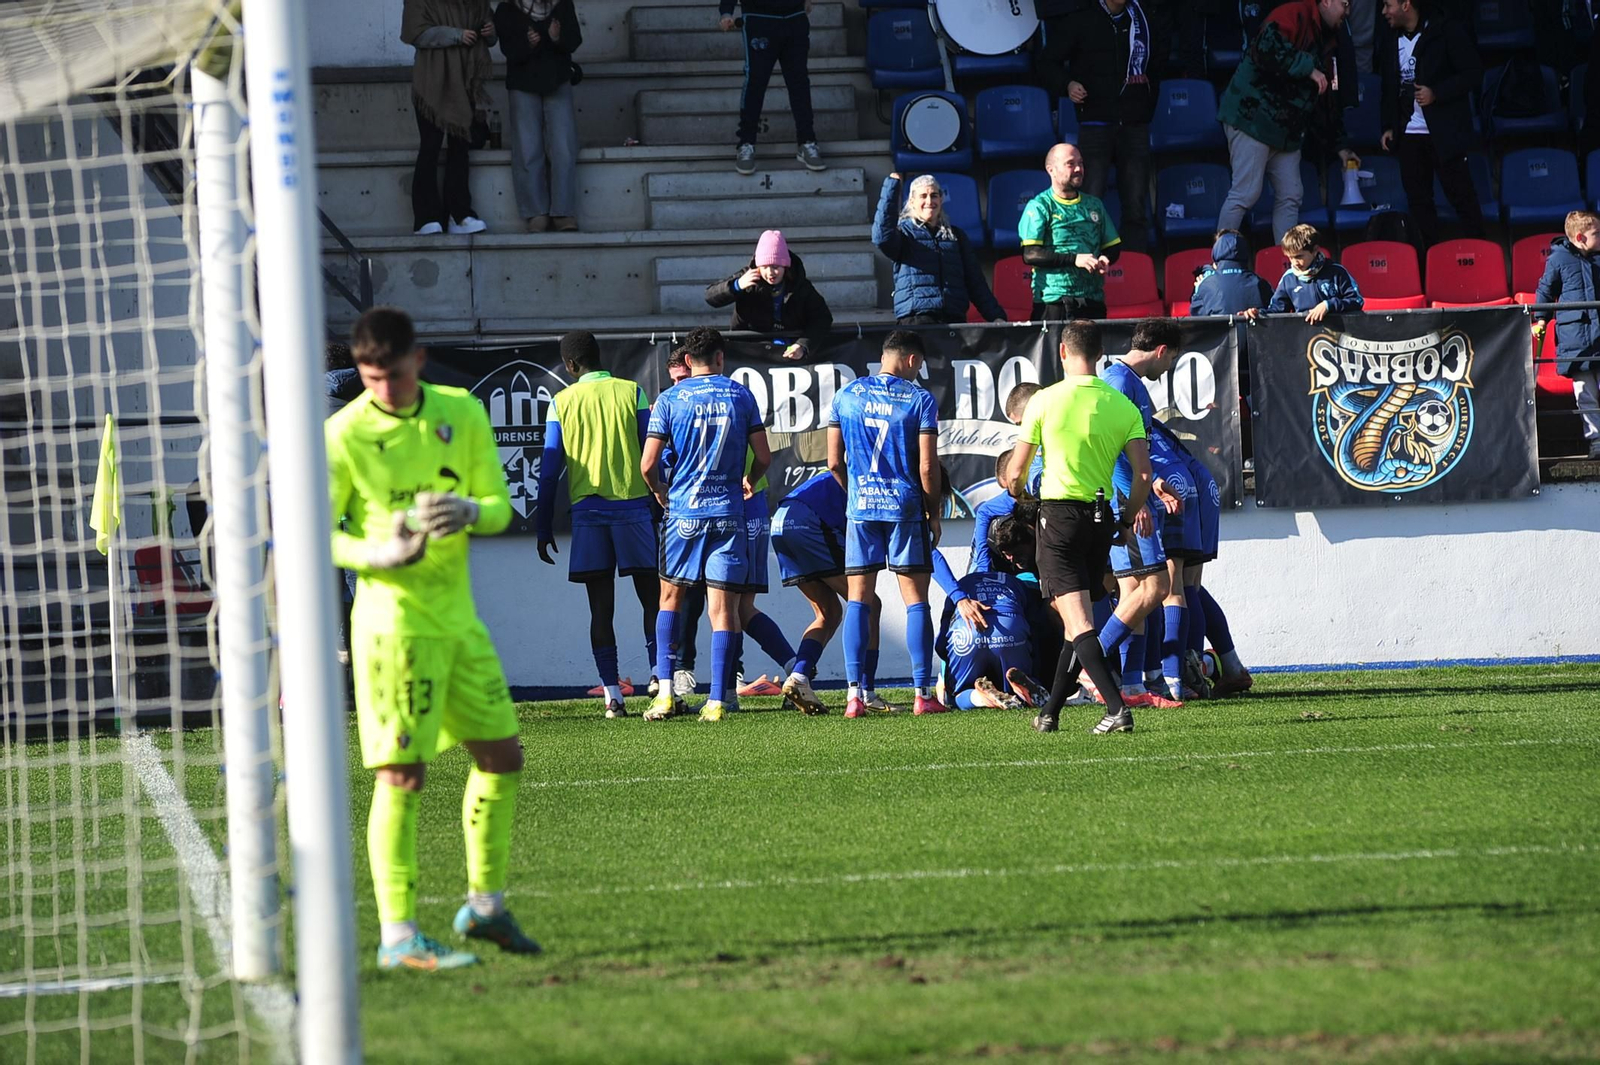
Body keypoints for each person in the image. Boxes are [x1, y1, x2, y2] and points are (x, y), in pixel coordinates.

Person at [327, 306, 538, 971]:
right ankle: (398, 935)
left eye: (390, 374)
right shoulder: (343, 434)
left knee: (503, 756)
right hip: (394, 628)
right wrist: (375, 555)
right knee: (403, 773)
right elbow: (311, 530)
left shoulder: (462, 412)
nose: (381, 389)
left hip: (459, 622)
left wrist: (473, 510)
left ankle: (484, 906)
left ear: (418, 360)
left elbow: (503, 505)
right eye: (369, 377)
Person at [1003, 320, 1153, 735]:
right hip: (1102, 519)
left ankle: (1117, 708)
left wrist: (1020, 496)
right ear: (1101, 355)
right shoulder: (1122, 404)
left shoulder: (1045, 401)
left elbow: (1015, 472)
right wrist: (1125, 519)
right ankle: (1050, 711)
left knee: (1079, 623)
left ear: (1063, 353)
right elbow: (1142, 476)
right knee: (1077, 621)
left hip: (1060, 517)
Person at [641, 326, 770, 722]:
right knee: (723, 608)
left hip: (683, 515)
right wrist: (748, 478)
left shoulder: (669, 398)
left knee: (670, 600)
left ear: (687, 362)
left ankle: (664, 694)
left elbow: (647, 464)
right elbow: (763, 456)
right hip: (728, 516)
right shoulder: (740, 394)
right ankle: (717, 700)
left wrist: (660, 490)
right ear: (720, 358)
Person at [535, 331, 657, 718]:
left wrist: (542, 525)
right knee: (653, 600)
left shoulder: (561, 401)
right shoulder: (632, 391)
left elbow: (549, 469)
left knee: (600, 610)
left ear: (570, 366)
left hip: (589, 515)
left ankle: (612, 696)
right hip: (635, 508)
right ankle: (662, 682)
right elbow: (651, 450)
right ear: (599, 357)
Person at [827, 329, 946, 717]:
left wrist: (855, 492)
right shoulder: (919, 399)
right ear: (912, 359)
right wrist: (934, 512)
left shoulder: (845, 395)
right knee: (916, 603)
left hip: (862, 509)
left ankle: (854, 695)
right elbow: (927, 466)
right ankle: (922, 694)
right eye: (920, 365)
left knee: (858, 600)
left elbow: (833, 462)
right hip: (905, 509)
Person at [1096, 319, 1187, 710]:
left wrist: (1154, 484)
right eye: (1171, 362)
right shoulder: (1119, 381)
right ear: (1162, 351)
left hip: (1134, 495)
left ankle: (1131, 686)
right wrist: (1133, 505)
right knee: (1156, 589)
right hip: (1126, 502)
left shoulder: (1125, 379)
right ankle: (1090, 661)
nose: (1166, 371)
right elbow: (1110, 447)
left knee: (1134, 592)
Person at [1216, 0, 1359, 243]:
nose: (1348, 11)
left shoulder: (1332, 37)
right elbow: (1265, 47)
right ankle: (1219, 264)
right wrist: (1307, 68)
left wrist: (1341, 146)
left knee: (1291, 194)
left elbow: (1327, 103)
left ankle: (1286, 265)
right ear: (1326, 1)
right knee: (1245, 194)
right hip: (1253, 117)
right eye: (1344, 4)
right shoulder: (1295, 12)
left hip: (1286, 129)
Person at [1036, 0, 1157, 254]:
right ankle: (1086, 266)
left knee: (1136, 204)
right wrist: (1067, 85)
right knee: (1090, 200)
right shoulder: (1081, 19)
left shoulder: (1144, 20)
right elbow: (1047, 61)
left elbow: (1156, 65)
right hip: (1095, 123)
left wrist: (1144, 107)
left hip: (1134, 122)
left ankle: (1137, 274)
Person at [770, 471, 893, 712]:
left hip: (780, 521)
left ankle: (798, 677)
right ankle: (866, 692)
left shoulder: (861, 473)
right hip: (806, 520)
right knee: (870, 605)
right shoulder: (882, 484)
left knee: (828, 613)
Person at [1377, 0, 1482, 247]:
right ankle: (1428, 266)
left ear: (1406, 5)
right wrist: (1389, 125)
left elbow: (1473, 73)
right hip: (1408, 135)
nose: (1383, 12)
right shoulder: (1389, 39)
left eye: (1388, 5)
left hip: (1444, 133)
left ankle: (1482, 258)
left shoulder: (1446, 31)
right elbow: (1387, 88)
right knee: (1419, 203)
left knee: (1463, 199)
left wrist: (1437, 93)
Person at [402, 0, 494, 236]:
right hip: (431, 83)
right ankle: (426, 217)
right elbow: (415, 32)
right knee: (430, 146)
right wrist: (456, 35)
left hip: (464, 79)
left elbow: (490, 32)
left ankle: (459, 214)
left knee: (460, 145)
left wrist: (490, 31)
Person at [494, 0, 583, 233]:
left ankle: (563, 212)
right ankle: (536, 213)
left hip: (557, 80)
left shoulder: (562, 5)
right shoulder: (507, 9)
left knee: (563, 147)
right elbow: (507, 49)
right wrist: (528, 45)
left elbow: (574, 40)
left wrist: (555, 38)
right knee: (527, 149)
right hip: (523, 84)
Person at [873, 173, 1007, 325]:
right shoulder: (903, 234)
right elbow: (881, 237)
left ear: (941, 199)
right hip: (916, 319)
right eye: (923, 196)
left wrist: (996, 316)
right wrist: (891, 187)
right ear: (912, 201)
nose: (929, 201)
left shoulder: (956, 236)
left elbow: (975, 282)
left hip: (953, 319)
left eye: (934, 195)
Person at [1018, 143, 1122, 321]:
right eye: (1070, 164)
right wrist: (1075, 259)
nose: (1078, 169)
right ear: (1051, 170)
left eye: (1080, 163)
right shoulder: (1040, 206)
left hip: (1092, 300)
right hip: (1054, 301)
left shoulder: (1094, 205)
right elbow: (1031, 254)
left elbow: (1113, 247)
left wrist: (1106, 258)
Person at [720, 0, 824, 174]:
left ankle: (807, 141)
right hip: (759, 19)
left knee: (799, 83)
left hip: (794, 17)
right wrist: (726, 11)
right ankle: (746, 143)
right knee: (756, 82)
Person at [704, 230, 834, 358]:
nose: (770, 273)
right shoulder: (747, 277)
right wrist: (737, 285)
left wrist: (803, 345)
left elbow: (822, 318)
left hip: (791, 352)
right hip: (750, 351)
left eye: (776, 267)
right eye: (764, 267)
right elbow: (710, 297)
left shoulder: (800, 285)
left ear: (786, 267)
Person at [1534, 211, 1600, 460]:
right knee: (1585, 391)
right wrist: (1540, 319)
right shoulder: (1558, 259)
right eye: (1597, 234)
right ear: (1581, 237)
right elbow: (1545, 290)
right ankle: (1596, 439)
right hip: (1576, 341)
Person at [969, 382, 1042, 576]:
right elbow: (985, 511)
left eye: (1020, 423)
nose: (1021, 430)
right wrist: (983, 570)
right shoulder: (1035, 449)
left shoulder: (1054, 440)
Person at [1258, 223, 1364, 321]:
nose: (1295, 262)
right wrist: (1258, 314)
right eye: (1290, 258)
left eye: (1299, 256)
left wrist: (1328, 305)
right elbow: (1276, 311)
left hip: (1338, 335)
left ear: (1314, 250)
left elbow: (1357, 301)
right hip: (1305, 335)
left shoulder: (1337, 272)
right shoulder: (1288, 279)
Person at [1190, 230, 1273, 317]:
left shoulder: (1205, 285)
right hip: (1253, 330)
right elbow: (1274, 314)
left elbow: (1197, 320)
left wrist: (1197, 291)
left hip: (1218, 331)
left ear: (1215, 254)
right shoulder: (1261, 283)